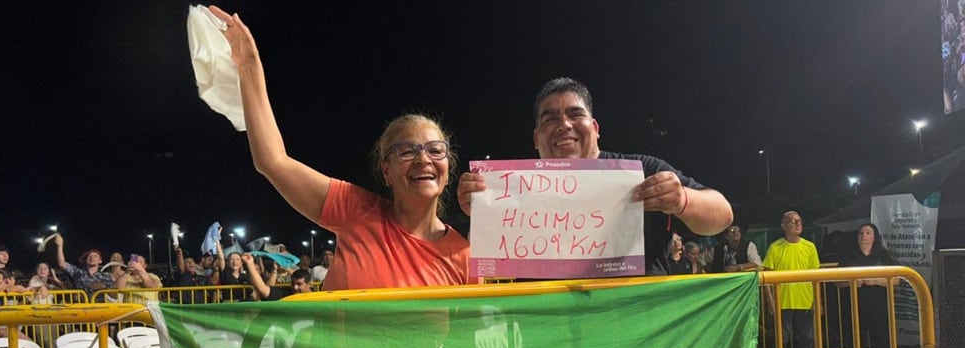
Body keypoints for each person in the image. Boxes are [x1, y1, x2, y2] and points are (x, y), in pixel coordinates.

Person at [209, 6, 469, 290]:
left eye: (435, 149)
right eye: (407, 151)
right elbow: (273, 161)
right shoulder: (356, 210)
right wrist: (248, 66)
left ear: (448, 164)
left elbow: (478, 328)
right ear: (386, 171)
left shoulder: (462, 253)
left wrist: (490, 213)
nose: (423, 158)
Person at [456, 77, 733, 275]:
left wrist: (682, 200)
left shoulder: (642, 171)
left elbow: (722, 216)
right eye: (550, 119)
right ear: (536, 137)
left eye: (575, 114)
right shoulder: (512, 189)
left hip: (638, 333)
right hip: (552, 338)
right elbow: (486, 266)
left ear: (595, 127)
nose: (564, 125)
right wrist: (483, 214)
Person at [762, 211, 820, 348]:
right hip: (783, 301)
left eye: (799, 221)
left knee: (807, 339)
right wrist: (771, 303)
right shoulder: (776, 247)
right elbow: (766, 279)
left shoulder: (810, 247)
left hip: (804, 301)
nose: (797, 224)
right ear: (783, 226)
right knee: (781, 339)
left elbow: (816, 277)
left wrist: (818, 301)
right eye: (792, 221)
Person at [840, 223, 899, 348]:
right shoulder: (849, 257)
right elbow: (837, 282)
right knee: (854, 342)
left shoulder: (883, 256)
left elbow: (896, 280)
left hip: (878, 307)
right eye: (861, 233)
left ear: (875, 237)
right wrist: (851, 282)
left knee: (882, 341)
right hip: (854, 306)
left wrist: (876, 281)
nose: (864, 236)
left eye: (868, 233)